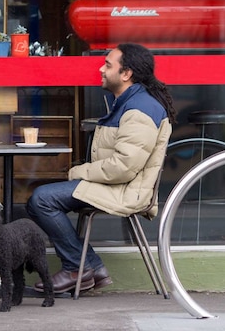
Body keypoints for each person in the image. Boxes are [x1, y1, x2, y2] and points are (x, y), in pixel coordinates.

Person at [27, 43, 176, 293]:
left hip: (126, 190)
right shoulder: (128, 102)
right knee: (42, 196)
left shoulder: (140, 109)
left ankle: (77, 267)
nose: (101, 69)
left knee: (42, 199)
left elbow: (123, 167)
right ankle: (92, 267)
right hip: (115, 185)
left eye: (108, 65)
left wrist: (79, 172)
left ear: (126, 73)